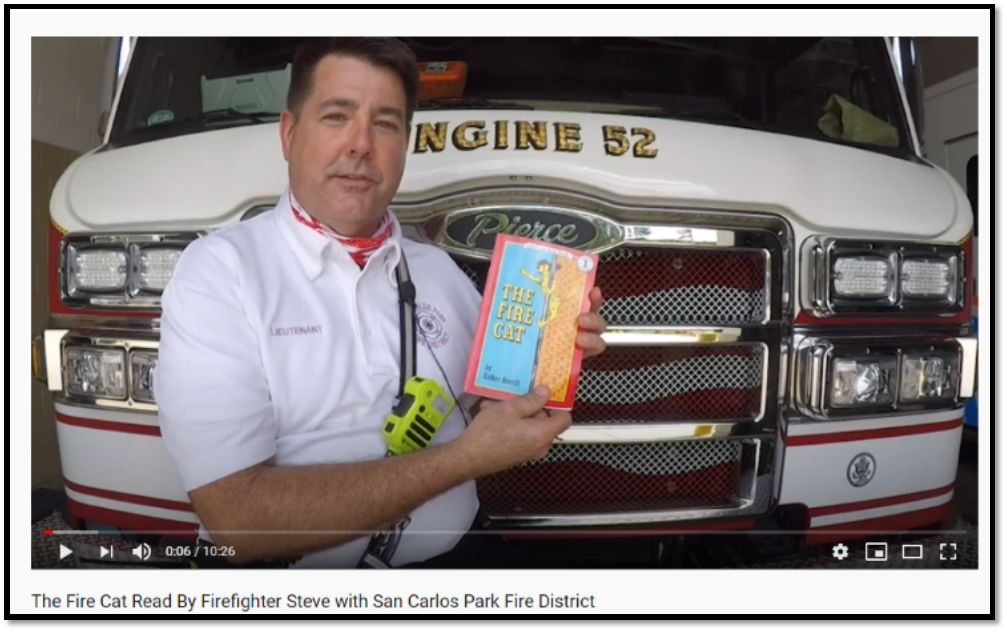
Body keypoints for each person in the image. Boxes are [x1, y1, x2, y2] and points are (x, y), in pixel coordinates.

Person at [154, 37, 608, 569]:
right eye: (336, 116)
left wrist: (546, 366)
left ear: (405, 144)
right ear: (289, 132)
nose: (361, 145)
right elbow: (238, 521)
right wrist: (463, 460)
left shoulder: (437, 270)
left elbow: (485, 408)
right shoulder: (219, 272)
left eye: (386, 123)